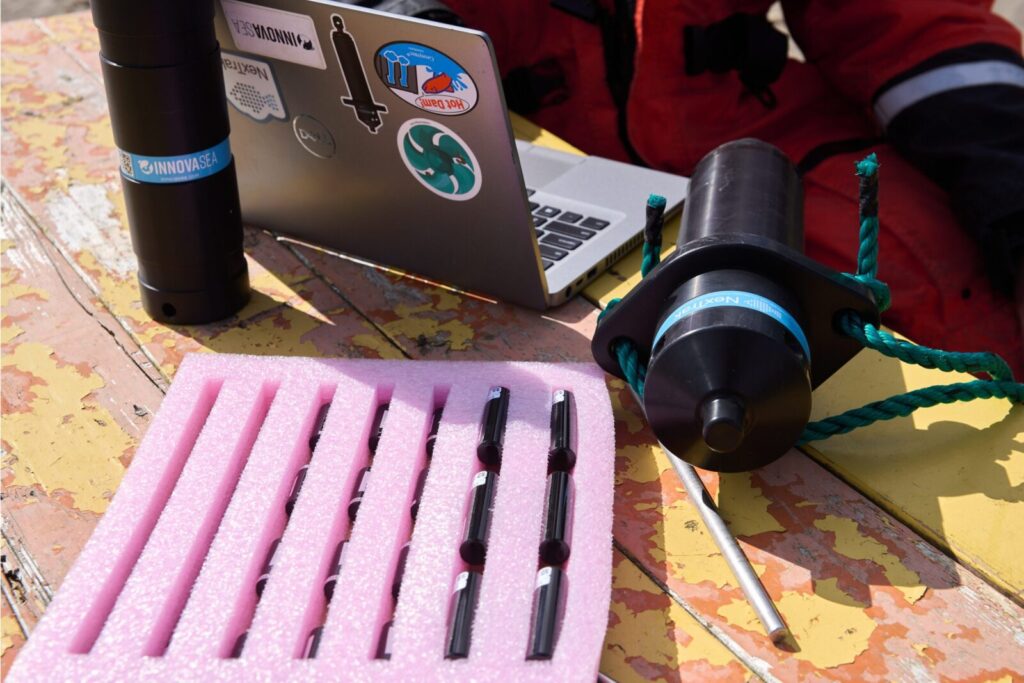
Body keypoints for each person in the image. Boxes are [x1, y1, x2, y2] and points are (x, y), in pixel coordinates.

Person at [362, 0, 1024, 374]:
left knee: (967, 307)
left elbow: (912, 29)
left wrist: (1008, 171)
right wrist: (389, 28)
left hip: (761, 135)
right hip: (528, 172)